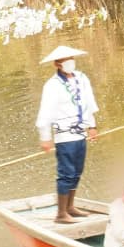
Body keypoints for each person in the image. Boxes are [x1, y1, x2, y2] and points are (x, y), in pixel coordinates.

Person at [35, 44, 99, 222]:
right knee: (67, 172)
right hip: (65, 134)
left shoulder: (82, 78)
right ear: (57, 64)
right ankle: (61, 213)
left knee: (78, 171)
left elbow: (89, 103)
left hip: (80, 132)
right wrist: (45, 137)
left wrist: (92, 126)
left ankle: (71, 206)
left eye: (71, 59)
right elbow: (45, 112)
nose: (70, 63)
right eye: (65, 61)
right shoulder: (52, 85)